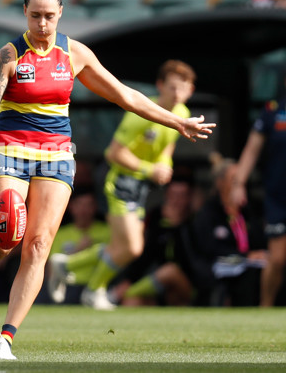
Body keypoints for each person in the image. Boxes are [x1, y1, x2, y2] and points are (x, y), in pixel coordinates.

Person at [0, 0, 215, 360]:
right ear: (25, 13)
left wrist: (176, 120)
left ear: (61, 14)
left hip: (56, 155)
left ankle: (5, 338)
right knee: (3, 242)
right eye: (35, 15)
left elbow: (125, 95)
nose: (43, 23)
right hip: (9, 149)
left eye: (50, 16)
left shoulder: (74, 54)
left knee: (38, 245)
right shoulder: (9, 54)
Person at [49, 59, 198, 311]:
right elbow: (114, 153)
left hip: (140, 184)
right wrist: (150, 169)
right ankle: (92, 290)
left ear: (191, 90)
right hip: (120, 182)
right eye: (172, 87)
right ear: (160, 86)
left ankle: (67, 267)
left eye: (183, 89)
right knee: (132, 246)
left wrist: (165, 165)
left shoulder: (181, 114)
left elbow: (167, 146)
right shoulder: (141, 114)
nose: (177, 94)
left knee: (124, 247)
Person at [110, 175, 198, 307]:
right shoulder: (156, 217)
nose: (177, 201)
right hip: (159, 285)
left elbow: (193, 260)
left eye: (182, 196)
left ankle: (118, 295)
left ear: (190, 198)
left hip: (190, 285)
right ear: (167, 195)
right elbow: (147, 254)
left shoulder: (195, 221)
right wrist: (130, 279)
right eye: (173, 195)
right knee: (132, 302)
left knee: (170, 271)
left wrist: (178, 228)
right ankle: (126, 296)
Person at [232, 92, 286, 306]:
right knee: (278, 258)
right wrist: (238, 183)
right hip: (278, 195)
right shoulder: (273, 109)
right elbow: (252, 150)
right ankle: (266, 306)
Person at [192, 153, 267, 306]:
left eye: (241, 181)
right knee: (248, 277)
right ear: (220, 183)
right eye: (234, 180)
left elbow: (261, 241)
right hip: (220, 269)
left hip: (252, 264)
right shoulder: (208, 212)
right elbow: (209, 247)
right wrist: (246, 255)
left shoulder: (247, 211)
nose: (238, 185)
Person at [47, 186, 110, 304]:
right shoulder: (60, 234)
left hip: (98, 285)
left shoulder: (107, 231)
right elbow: (52, 267)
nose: (84, 210)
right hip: (69, 286)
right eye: (79, 204)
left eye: (89, 205)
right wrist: (78, 249)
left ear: (95, 207)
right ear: (71, 206)